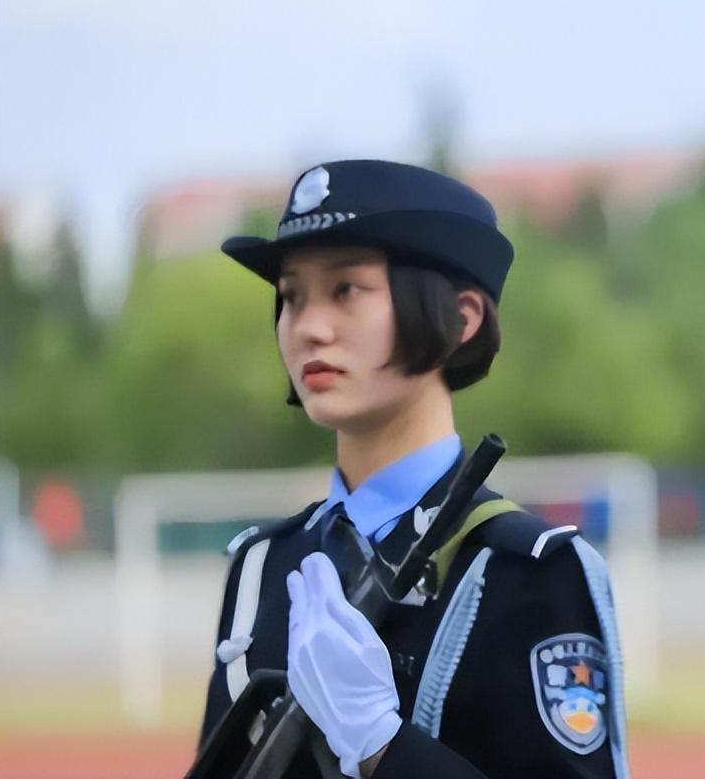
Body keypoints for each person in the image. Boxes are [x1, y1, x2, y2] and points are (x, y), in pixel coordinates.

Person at [200, 160, 628, 779]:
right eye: (291, 297)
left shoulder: (526, 572)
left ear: (462, 317)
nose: (309, 328)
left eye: (346, 289)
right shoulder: (262, 566)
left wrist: (382, 744)